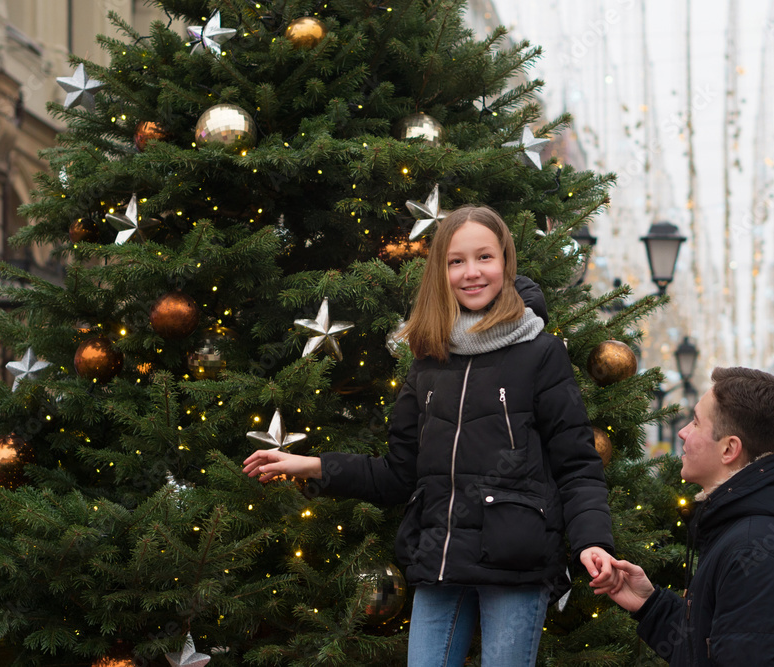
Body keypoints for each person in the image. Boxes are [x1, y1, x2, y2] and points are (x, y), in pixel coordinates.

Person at [244, 205, 615, 666]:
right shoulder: (428, 361)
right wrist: (314, 466)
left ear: (506, 263)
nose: (471, 272)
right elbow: (399, 473)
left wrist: (592, 541)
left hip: (517, 565)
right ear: (441, 271)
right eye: (456, 261)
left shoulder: (540, 354)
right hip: (439, 561)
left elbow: (577, 465)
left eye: (485, 257)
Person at [591, 367, 774, 666]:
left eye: (695, 422)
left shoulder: (753, 551)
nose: (682, 431)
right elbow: (713, 644)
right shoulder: (749, 530)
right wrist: (650, 603)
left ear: (729, 448)